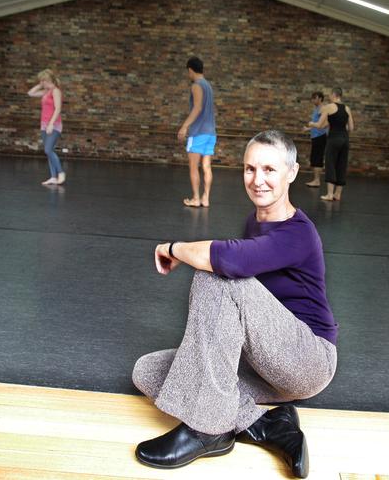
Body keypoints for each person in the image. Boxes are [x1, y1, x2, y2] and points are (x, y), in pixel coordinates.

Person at [132, 130, 338, 478]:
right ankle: (268, 424)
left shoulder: (299, 233)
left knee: (214, 275)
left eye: (269, 170)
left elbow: (230, 262)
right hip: (263, 359)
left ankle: (207, 430)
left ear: (292, 172)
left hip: (307, 359)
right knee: (147, 371)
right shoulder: (254, 222)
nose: (258, 180)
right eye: (249, 169)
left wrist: (173, 248)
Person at [177, 56, 217, 208]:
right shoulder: (208, 86)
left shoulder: (196, 85)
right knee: (206, 167)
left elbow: (198, 107)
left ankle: (195, 198)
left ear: (190, 70)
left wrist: (184, 126)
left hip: (198, 133)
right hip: (210, 133)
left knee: (194, 167)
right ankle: (205, 198)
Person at [308, 87, 354, 201]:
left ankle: (329, 194)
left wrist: (311, 124)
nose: (329, 97)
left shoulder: (328, 107)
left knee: (330, 164)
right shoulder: (347, 108)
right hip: (345, 139)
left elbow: (319, 125)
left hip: (333, 139)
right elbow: (351, 128)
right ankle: (337, 194)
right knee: (341, 165)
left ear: (334, 95)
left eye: (330, 94)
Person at [27, 69, 66, 185]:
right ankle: (53, 177)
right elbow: (30, 93)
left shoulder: (56, 91)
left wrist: (51, 124)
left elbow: (58, 109)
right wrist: (40, 85)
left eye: (42, 80)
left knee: (48, 149)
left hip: (54, 125)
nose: (41, 82)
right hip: (44, 125)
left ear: (47, 79)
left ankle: (61, 173)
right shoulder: (46, 91)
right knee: (49, 151)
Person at [303, 91, 328, 187]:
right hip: (315, 136)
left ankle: (317, 181)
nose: (313, 100)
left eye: (315, 98)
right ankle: (315, 180)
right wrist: (308, 128)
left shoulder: (323, 109)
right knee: (314, 158)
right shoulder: (316, 109)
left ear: (320, 98)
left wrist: (312, 125)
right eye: (312, 98)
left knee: (317, 158)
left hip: (320, 137)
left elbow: (324, 124)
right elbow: (317, 124)